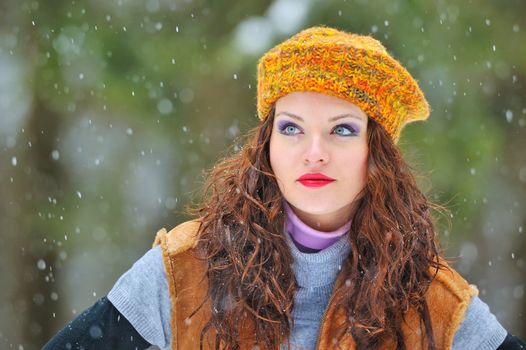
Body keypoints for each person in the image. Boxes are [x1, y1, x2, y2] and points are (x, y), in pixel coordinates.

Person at [43, 26, 525, 350]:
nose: (314, 152)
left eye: (341, 130)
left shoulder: (434, 304)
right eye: (292, 128)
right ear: (267, 144)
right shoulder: (183, 271)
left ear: (377, 153)